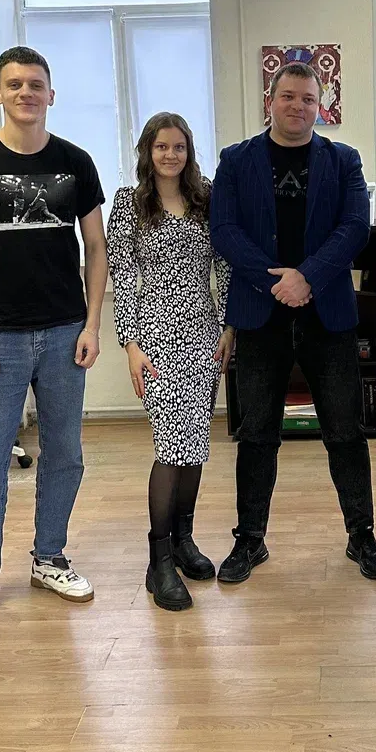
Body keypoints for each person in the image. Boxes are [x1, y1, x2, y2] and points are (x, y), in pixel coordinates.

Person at [0, 46, 107, 633]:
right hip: (0, 338)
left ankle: (49, 558)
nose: (25, 93)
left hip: (65, 332)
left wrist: (92, 324)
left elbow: (96, 248)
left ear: (50, 94)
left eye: (35, 84)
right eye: (14, 85)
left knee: (65, 454)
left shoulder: (76, 162)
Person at [209, 61, 376, 584]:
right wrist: (277, 282)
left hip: (326, 316)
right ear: (271, 100)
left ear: (320, 106)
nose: (298, 106)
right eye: (288, 96)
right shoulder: (236, 160)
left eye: (308, 99)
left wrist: (306, 276)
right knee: (257, 434)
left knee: (345, 432)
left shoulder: (343, 160)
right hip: (260, 315)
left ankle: (362, 536)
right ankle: (250, 539)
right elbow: (224, 229)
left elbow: (354, 226)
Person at [106, 112, 233, 612]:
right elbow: (122, 275)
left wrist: (228, 326)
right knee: (171, 445)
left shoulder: (207, 198)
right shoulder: (129, 204)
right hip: (156, 337)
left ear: (189, 151)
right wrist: (131, 345)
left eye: (179, 146)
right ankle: (157, 561)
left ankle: (183, 540)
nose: (170, 155)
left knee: (194, 445)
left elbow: (222, 264)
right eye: (161, 146)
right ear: (147, 151)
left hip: (203, 334)